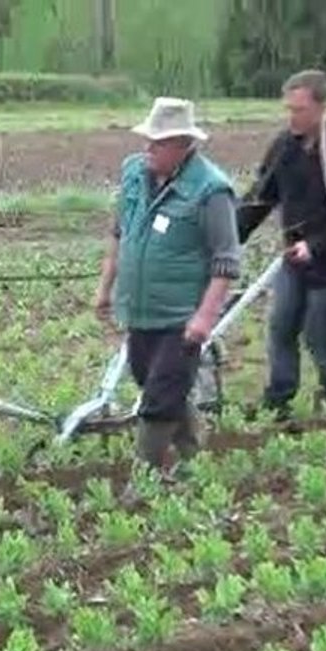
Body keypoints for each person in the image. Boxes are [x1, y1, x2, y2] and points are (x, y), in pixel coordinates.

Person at [95, 96, 241, 477]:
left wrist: (205, 318)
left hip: (182, 317)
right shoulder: (134, 174)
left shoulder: (211, 191)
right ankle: (198, 460)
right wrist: (105, 286)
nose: (148, 148)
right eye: (148, 139)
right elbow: (118, 231)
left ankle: (141, 480)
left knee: (159, 398)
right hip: (141, 311)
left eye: (158, 143)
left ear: (183, 145)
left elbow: (226, 261)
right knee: (158, 384)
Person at [236, 69, 326, 420]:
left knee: (317, 334)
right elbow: (261, 196)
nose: (292, 117)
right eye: (288, 109)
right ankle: (279, 399)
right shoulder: (285, 147)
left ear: (321, 108)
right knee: (281, 328)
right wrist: (230, 236)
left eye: (299, 110)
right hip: (295, 258)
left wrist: (316, 246)